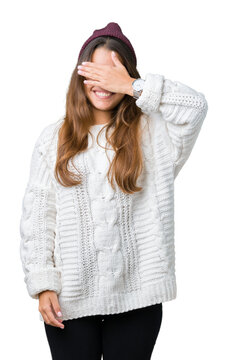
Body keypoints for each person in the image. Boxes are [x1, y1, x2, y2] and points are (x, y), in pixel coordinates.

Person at [19, 22, 208, 360]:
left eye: (114, 73)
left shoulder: (155, 136)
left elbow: (194, 107)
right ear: (81, 76)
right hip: (70, 301)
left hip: (138, 300)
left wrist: (133, 86)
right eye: (96, 73)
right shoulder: (54, 139)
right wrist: (42, 283)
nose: (104, 84)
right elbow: (38, 217)